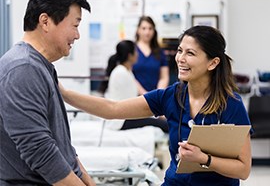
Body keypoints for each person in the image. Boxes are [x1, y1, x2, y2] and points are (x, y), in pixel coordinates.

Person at [59, 25, 253, 185]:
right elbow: (113, 109)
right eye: (179, 51)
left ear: (212, 63)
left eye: (190, 53)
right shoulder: (171, 96)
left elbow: (243, 170)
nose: (180, 59)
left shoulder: (231, 104)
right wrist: (64, 93)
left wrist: (204, 159)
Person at [0, 0, 95, 185]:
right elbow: (42, 153)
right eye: (75, 25)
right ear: (45, 21)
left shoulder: (41, 66)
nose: (77, 35)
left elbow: (64, 149)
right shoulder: (22, 68)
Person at [133, 16, 170, 95]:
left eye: (150, 28)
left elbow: (164, 77)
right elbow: (130, 76)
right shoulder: (132, 50)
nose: (147, 32)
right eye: (144, 28)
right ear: (138, 30)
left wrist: (156, 95)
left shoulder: (160, 52)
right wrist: (144, 94)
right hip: (135, 97)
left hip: (155, 99)